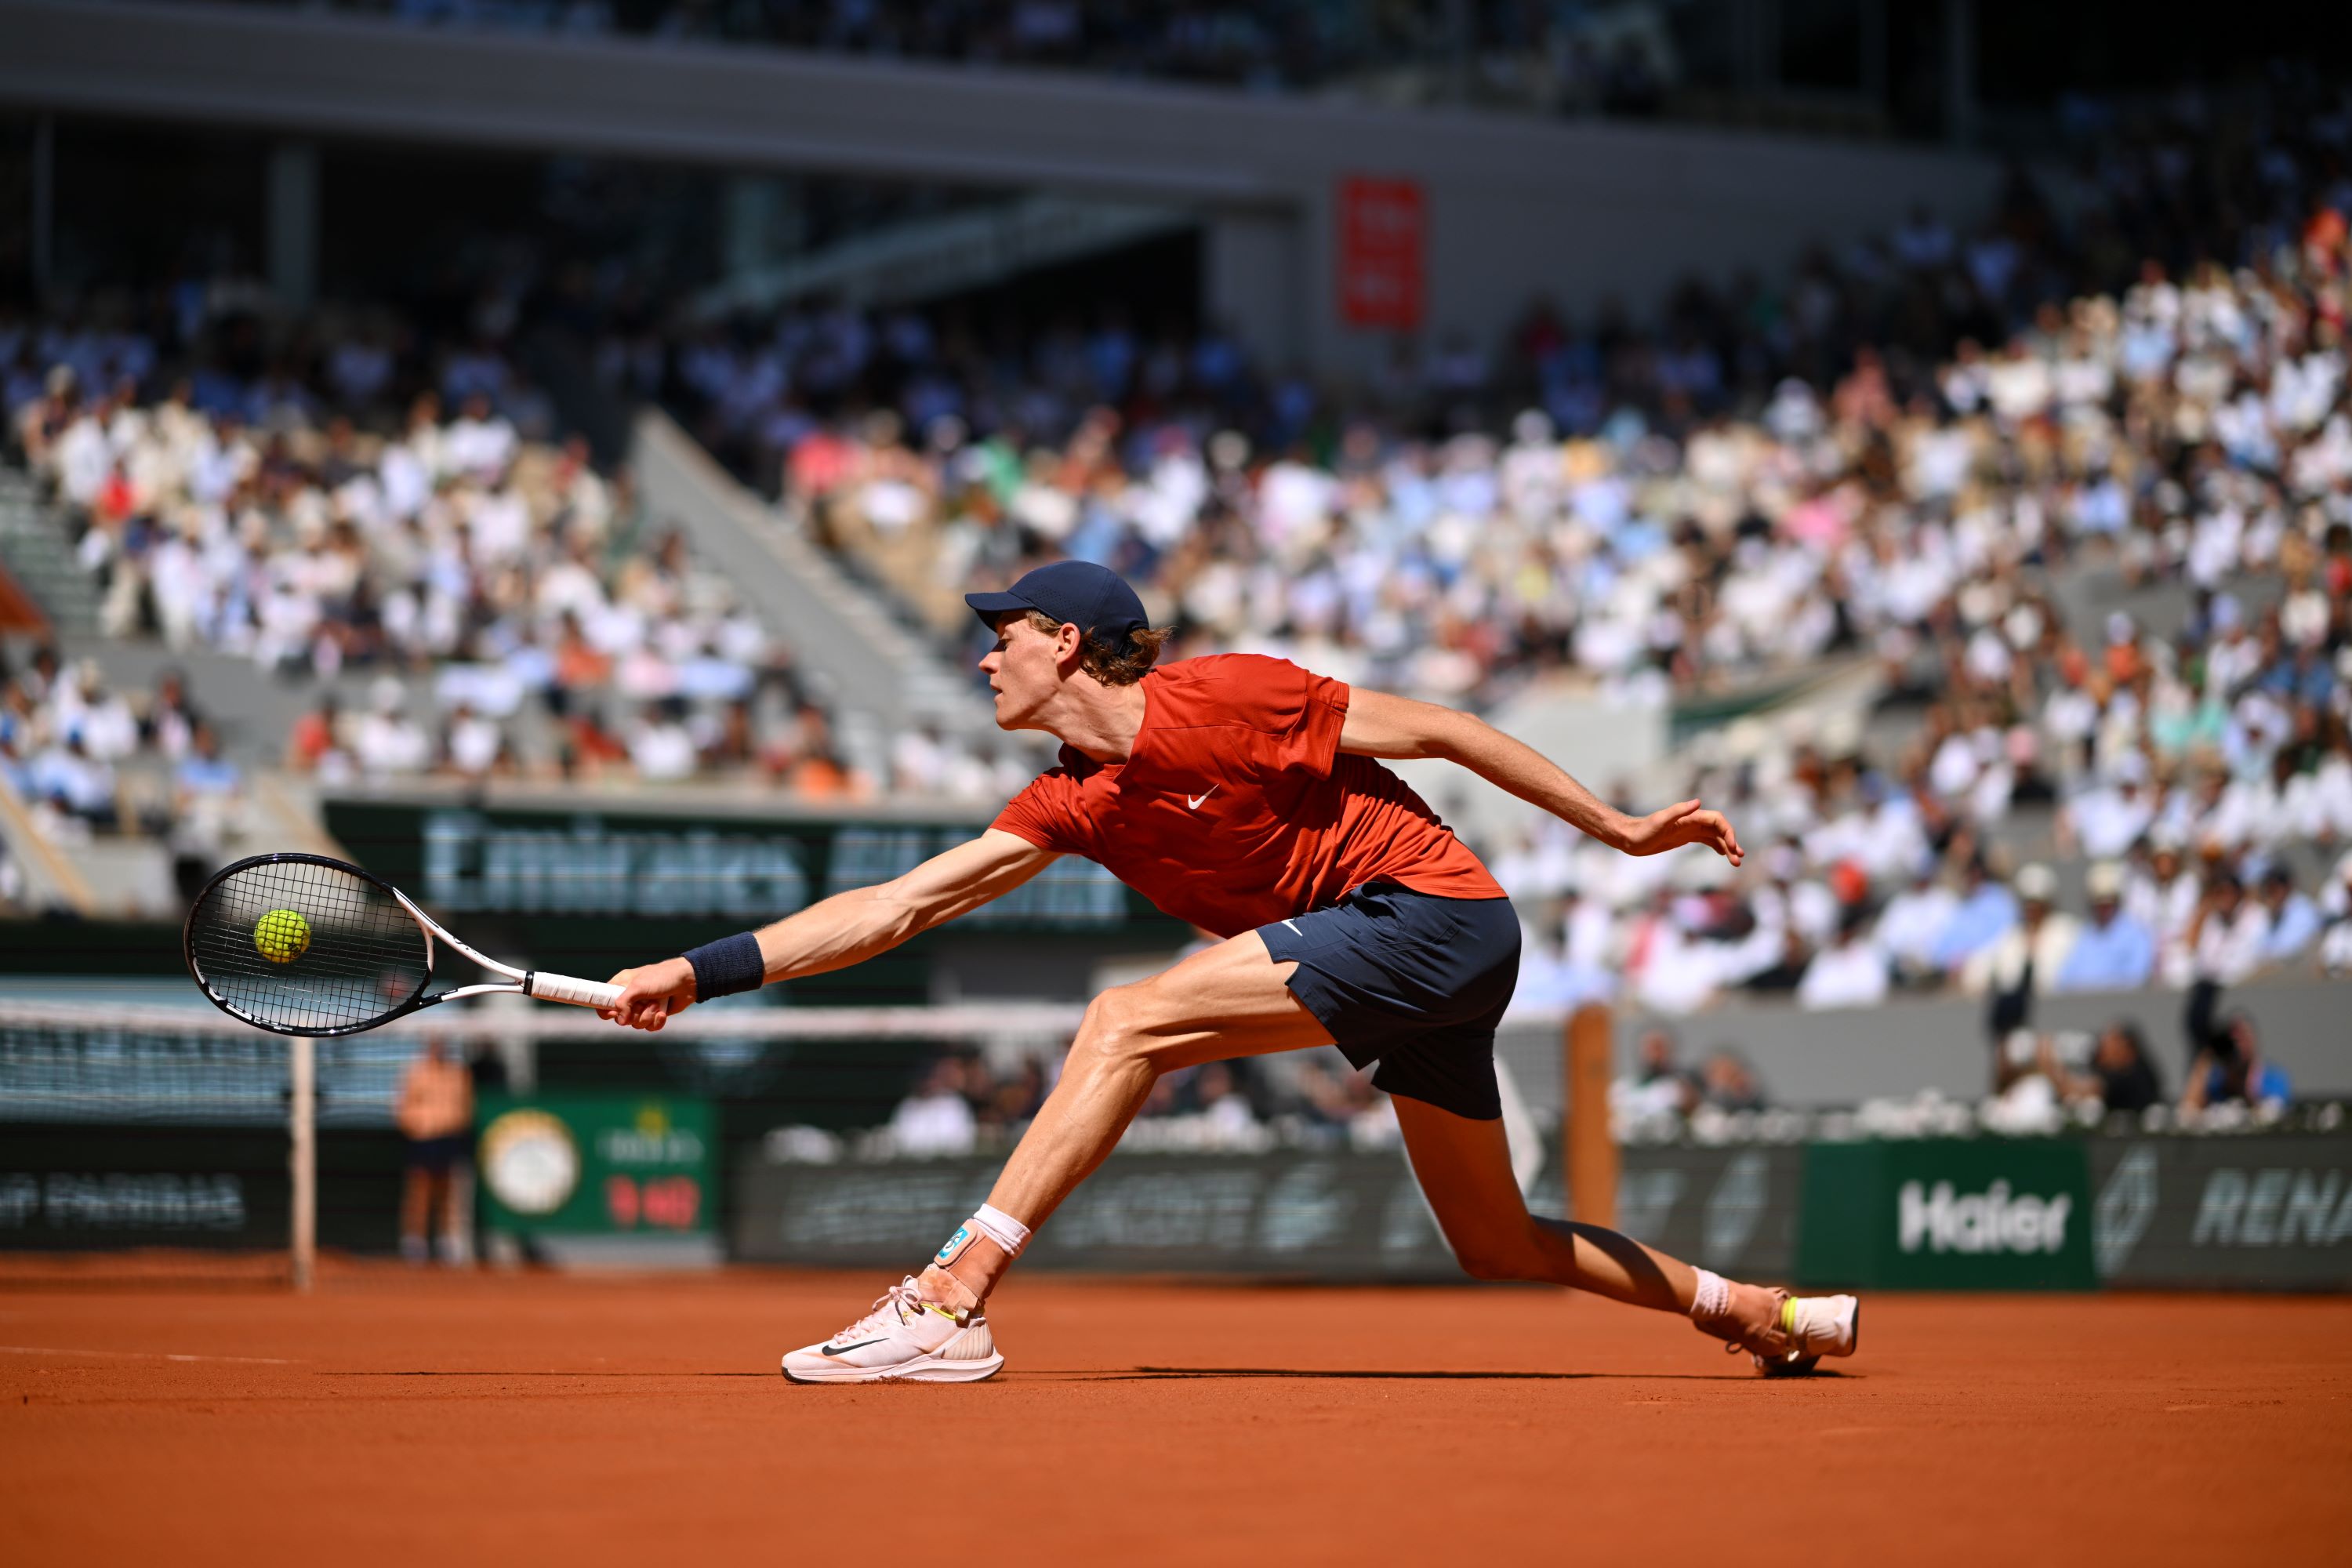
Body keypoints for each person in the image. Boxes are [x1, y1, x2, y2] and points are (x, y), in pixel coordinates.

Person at [604, 561, 1857, 1382]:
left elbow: (1448, 728)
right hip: (1399, 966)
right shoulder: (1072, 801)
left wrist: (1621, 830)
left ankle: (951, 1300)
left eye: (1003, 637)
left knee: (1125, 1019)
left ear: (1068, 643)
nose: (984, 658)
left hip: (1434, 917)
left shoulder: (1231, 696)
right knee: (1496, 1240)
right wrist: (695, 972)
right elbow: (897, 907)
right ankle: (1759, 1312)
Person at [395, 1036, 475, 1265]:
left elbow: (465, 1107)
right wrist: (417, 1126)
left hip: (448, 1138)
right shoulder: (416, 1072)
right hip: (422, 1139)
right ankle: (415, 1242)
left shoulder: (458, 1073)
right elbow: (404, 1106)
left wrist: (453, 1125)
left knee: (447, 1192)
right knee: (419, 1190)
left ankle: (447, 1241)